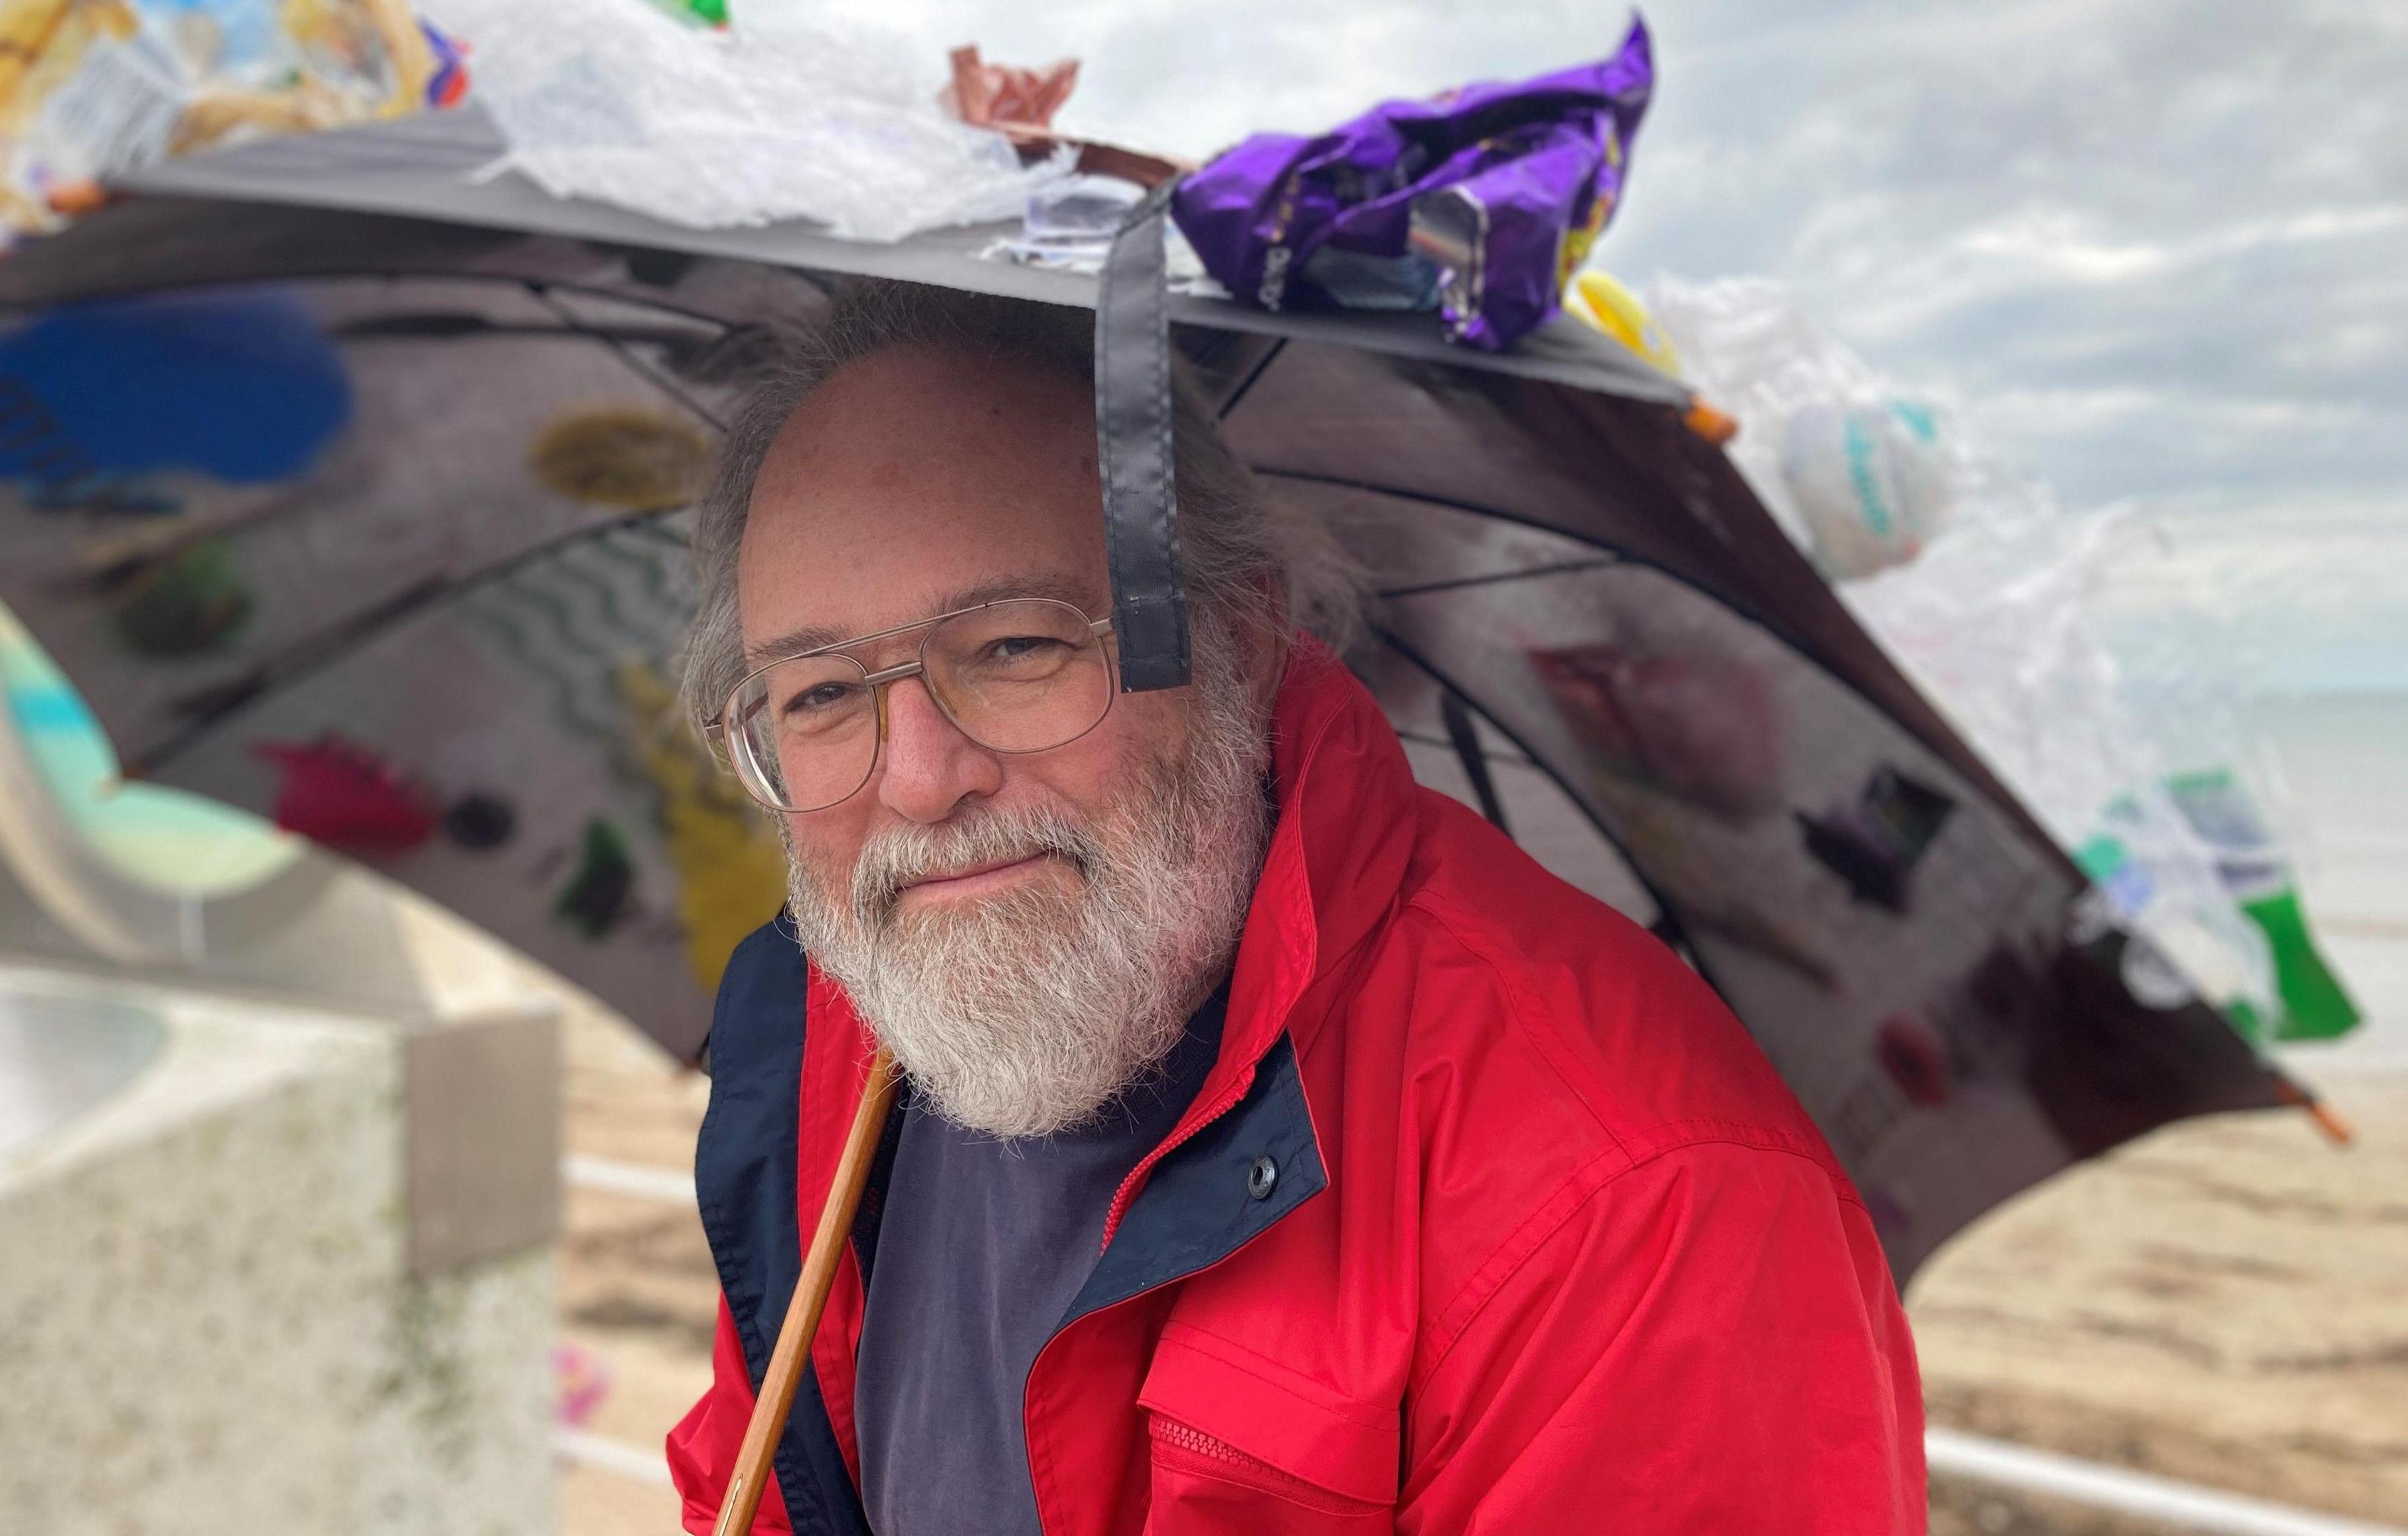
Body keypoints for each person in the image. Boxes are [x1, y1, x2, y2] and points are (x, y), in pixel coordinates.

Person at [665, 282, 1923, 1534]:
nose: (921, 783)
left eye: (1017, 648)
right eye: (822, 695)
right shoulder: (835, 1034)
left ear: (1243, 631)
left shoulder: (1633, 1210)